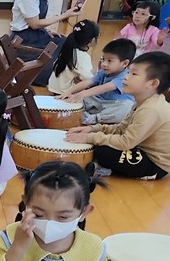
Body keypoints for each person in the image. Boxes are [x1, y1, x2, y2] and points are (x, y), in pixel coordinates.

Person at [66, 51, 170, 180]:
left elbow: (125, 142)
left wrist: (90, 137)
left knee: (102, 151)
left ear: (152, 84)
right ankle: (103, 167)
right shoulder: (142, 102)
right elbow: (121, 129)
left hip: (153, 164)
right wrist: (92, 129)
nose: (126, 77)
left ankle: (103, 169)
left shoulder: (151, 109)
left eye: (134, 74)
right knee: (99, 144)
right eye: (128, 72)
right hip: (137, 149)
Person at [11, 0, 82, 84]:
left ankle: (68, 75)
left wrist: (47, 31)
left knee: (65, 41)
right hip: (25, 39)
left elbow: (36, 23)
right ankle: (47, 77)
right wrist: (64, 15)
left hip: (35, 34)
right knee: (60, 47)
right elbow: (34, 24)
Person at [56, 38, 136, 125]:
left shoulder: (125, 76)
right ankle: (75, 111)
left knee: (127, 107)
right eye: (103, 59)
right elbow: (88, 82)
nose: (104, 64)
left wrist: (83, 93)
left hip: (113, 106)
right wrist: (69, 92)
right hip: (97, 102)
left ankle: (94, 118)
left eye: (109, 61)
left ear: (124, 63)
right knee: (79, 97)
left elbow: (104, 88)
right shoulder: (103, 72)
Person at [48, 19, 98, 94]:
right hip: (65, 92)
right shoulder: (83, 57)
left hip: (54, 88)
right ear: (92, 40)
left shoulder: (69, 49)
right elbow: (89, 78)